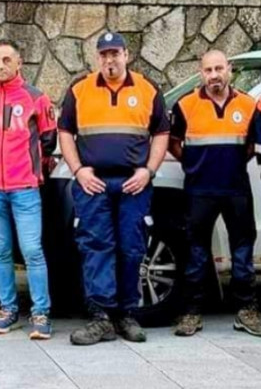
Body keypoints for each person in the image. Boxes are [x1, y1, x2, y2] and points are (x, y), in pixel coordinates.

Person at [58, 32, 169, 346]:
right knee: (96, 247)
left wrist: (149, 171)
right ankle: (101, 317)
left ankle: (126, 315)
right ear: (98, 58)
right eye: (104, 55)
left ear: (126, 54)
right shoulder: (80, 90)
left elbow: (161, 133)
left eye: (115, 54)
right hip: (93, 184)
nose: (110, 60)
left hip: (134, 184)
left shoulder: (147, 90)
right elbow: (65, 131)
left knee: (131, 247)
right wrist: (78, 170)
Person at [0, 40, 57, 339]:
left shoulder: (36, 98)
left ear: (19, 62)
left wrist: (33, 170)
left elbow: (48, 139)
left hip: (25, 189)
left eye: (7, 59)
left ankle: (41, 313)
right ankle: (8, 309)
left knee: (32, 251)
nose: (1, 65)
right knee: (2, 251)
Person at [170, 50, 261, 337]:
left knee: (242, 250)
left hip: (236, 189)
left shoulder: (249, 105)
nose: (214, 76)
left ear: (229, 70)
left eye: (219, 69)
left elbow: (253, 146)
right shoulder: (186, 106)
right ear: (201, 73)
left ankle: (246, 310)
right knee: (196, 252)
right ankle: (191, 312)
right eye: (208, 70)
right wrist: (192, 164)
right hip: (199, 191)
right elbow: (173, 142)